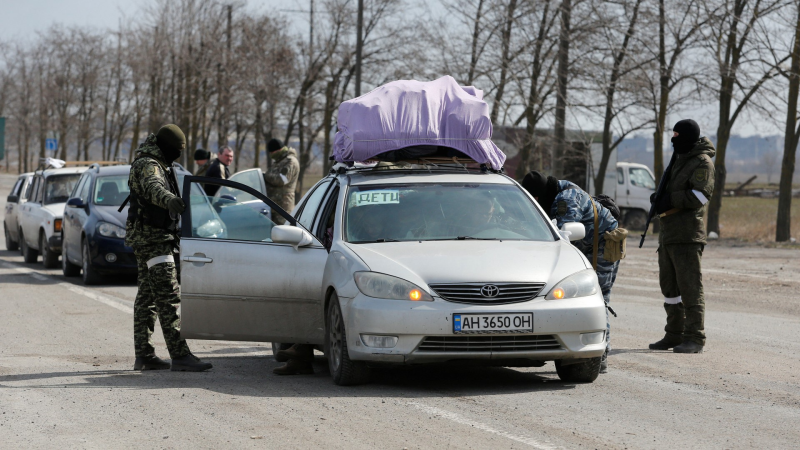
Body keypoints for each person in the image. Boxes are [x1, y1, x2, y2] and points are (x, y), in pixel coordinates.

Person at [126, 124, 212, 372]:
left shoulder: (157, 162)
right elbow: (154, 187)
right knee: (168, 296)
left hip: (151, 238)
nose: (179, 154)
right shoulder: (149, 165)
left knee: (147, 297)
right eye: (177, 149)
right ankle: (180, 355)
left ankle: (144, 355)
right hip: (153, 240)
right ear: (166, 147)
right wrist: (171, 200)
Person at [522, 171, 619, 373]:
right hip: (586, 246)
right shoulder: (559, 188)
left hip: (602, 248)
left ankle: (600, 355)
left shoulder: (566, 198)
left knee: (598, 297)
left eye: (535, 199)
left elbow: (564, 236)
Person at [649, 119, 715, 354]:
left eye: (677, 135)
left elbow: (700, 196)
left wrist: (669, 200)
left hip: (687, 235)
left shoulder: (702, 162)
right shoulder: (679, 158)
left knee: (690, 287)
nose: (673, 139)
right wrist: (659, 198)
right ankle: (674, 333)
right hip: (668, 233)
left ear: (688, 137)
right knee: (669, 288)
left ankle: (695, 337)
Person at [263, 138, 300, 225]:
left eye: (272, 152)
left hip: (283, 209)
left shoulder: (290, 162)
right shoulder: (279, 161)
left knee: (282, 232)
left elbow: (282, 180)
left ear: (279, 149)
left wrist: (265, 175)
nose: (271, 155)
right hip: (274, 207)